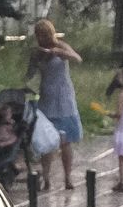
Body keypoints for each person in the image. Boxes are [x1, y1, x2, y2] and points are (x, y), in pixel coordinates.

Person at [27, 18, 84, 191]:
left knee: (65, 141)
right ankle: (46, 178)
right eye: (39, 36)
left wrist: (59, 52)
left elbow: (77, 58)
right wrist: (36, 60)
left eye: (44, 35)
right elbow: (29, 75)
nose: (42, 39)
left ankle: (67, 177)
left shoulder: (61, 46)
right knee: (48, 141)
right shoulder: (37, 52)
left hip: (64, 97)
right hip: (47, 98)